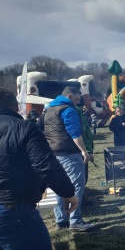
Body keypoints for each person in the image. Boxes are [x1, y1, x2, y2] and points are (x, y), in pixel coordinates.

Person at [0, 87, 78, 249]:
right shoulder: (24, 128)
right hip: (14, 210)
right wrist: (68, 193)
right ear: (15, 107)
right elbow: (45, 165)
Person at [43, 86, 95, 232]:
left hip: (54, 153)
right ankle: (75, 221)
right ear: (71, 96)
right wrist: (84, 151)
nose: (79, 100)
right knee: (76, 186)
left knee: (59, 186)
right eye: (78, 97)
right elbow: (74, 132)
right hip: (69, 154)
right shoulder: (68, 109)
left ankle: (61, 220)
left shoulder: (49, 109)